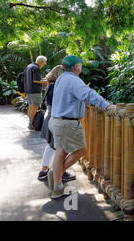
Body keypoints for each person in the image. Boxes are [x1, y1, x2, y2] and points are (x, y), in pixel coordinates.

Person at [47, 55, 116, 199]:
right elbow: (88, 94)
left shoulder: (62, 78)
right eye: (80, 64)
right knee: (81, 150)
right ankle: (56, 174)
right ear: (76, 67)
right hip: (67, 123)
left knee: (61, 151)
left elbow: (79, 96)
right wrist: (107, 105)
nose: (81, 66)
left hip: (56, 120)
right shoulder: (73, 80)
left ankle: (57, 186)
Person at [37, 65, 76, 183]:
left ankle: (44, 171)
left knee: (53, 146)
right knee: (60, 147)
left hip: (49, 117)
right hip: (56, 119)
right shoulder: (56, 88)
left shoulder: (50, 85)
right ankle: (59, 172)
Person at [23, 56, 48, 129]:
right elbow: (36, 80)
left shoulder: (29, 66)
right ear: (41, 62)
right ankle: (31, 124)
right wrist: (47, 81)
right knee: (35, 107)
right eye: (44, 64)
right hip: (35, 91)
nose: (43, 65)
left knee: (31, 106)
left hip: (28, 90)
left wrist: (44, 79)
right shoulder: (36, 68)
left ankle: (30, 123)